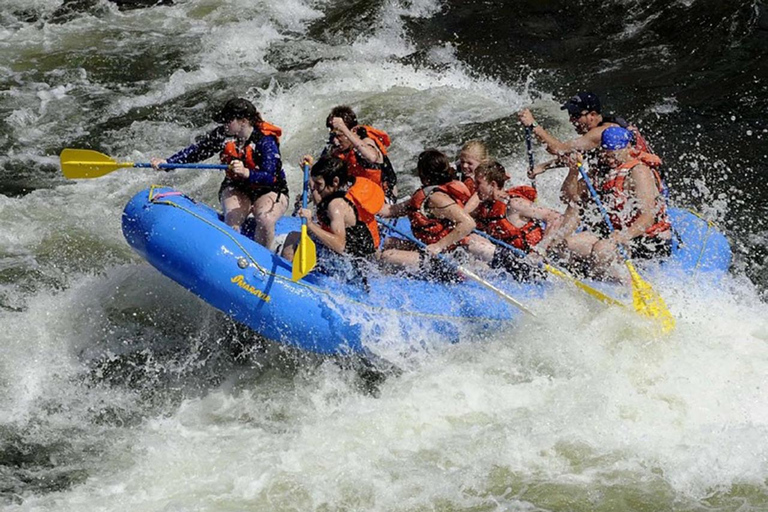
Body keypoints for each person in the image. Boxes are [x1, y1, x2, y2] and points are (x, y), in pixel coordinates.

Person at [151, 98, 288, 250]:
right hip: (237, 187)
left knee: (265, 219)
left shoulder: (265, 141)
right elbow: (197, 152)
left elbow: (270, 176)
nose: (224, 124)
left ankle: (264, 257)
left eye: (228, 120)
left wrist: (246, 172)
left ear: (243, 121)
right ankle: (234, 254)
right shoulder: (223, 136)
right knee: (233, 219)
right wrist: (168, 163)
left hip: (269, 190)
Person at [547, 127, 672, 281]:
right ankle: (582, 279)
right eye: (606, 155)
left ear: (627, 148)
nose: (610, 160)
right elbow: (569, 198)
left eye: (614, 156)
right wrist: (573, 172)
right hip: (612, 233)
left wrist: (624, 236)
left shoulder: (639, 172)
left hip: (645, 239)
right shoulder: (602, 170)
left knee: (602, 250)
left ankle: (618, 286)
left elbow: (648, 217)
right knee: (567, 246)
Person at [378, 149, 496, 280]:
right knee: (389, 242)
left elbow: (468, 224)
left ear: (423, 174)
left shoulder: (436, 198)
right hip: (432, 249)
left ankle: (445, 273)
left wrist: (439, 246)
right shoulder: (423, 195)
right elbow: (391, 210)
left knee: (387, 256)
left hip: (447, 255)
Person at [518, 92, 656, 181]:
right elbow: (574, 156)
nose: (572, 120)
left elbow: (557, 149)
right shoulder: (607, 125)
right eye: (570, 115)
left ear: (593, 115)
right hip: (633, 177)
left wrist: (533, 125)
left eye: (576, 116)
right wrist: (544, 167)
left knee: (577, 196)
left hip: (637, 181)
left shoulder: (601, 132)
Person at [281, 156, 384, 263]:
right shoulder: (336, 192)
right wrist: (309, 172)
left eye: (318, 184)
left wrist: (310, 224)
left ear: (335, 181)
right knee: (304, 233)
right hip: (353, 256)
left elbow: (340, 245)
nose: (314, 188)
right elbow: (319, 199)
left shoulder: (336, 205)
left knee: (293, 237)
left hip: (350, 263)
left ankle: (285, 274)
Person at [473, 160, 563, 255]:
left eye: (478, 183)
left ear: (493, 185)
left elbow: (555, 217)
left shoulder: (514, 204)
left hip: (529, 259)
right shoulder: (486, 206)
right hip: (508, 257)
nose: (474, 187)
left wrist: (540, 250)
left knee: (474, 245)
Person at [323, 105, 398, 202]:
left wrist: (344, 129)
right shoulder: (335, 148)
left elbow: (372, 157)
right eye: (333, 136)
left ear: (353, 131)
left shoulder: (367, 142)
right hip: (358, 195)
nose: (335, 141)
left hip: (382, 200)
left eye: (339, 135)